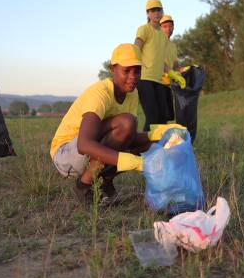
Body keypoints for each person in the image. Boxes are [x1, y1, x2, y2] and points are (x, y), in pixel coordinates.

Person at [49, 43, 181, 205]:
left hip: (89, 149)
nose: (133, 76)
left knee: (151, 144)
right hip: (66, 155)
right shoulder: (100, 93)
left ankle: (104, 182)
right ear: (112, 69)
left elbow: (129, 137)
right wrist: (134, 162)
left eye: (137, 71)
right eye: (126, 70)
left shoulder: (132, 93)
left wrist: (159, 136)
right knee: (126, 123)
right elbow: (84, 144)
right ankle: (83, 186)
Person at [134, 0, 185, 131]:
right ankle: (142, 149)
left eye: (159, 10)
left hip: (158, 80)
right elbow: (136, 49)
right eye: (153, 10)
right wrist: (134, 70)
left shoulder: (162, 37)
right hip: (144, 78)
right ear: (148, 13)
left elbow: (160, 61)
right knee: (152, 117)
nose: (156, 13)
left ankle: (159, 148)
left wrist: (173, 73)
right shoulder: (144, 29)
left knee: (162, 118)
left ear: (162, 12)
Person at [160, 15, 185, 121]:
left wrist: (185, 70)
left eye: (170, 26)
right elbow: (157, 61)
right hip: (157, 82)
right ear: (160, 28)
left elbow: (175, 63)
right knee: (158, 115)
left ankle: (162, 136)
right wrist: (172, 73)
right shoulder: (156, 43)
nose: (168, 29)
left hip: (167, 83)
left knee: (169, 115)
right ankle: (148, 137)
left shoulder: (172, 46)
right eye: (165, 26)